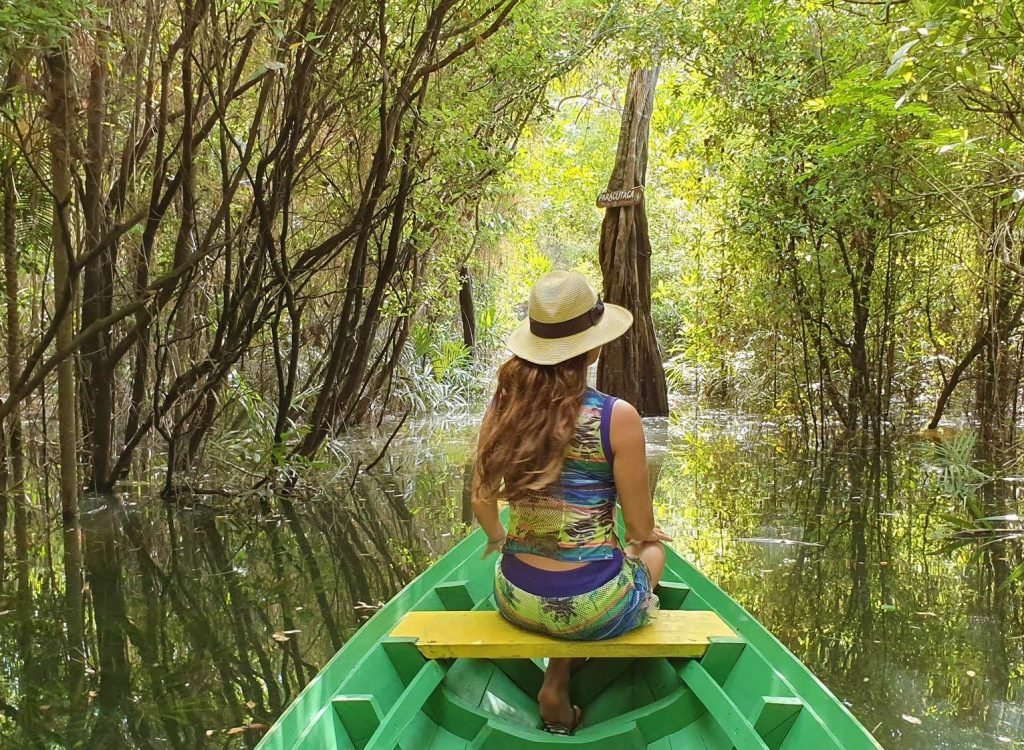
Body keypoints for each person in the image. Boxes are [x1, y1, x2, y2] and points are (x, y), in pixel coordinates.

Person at [471, 269, 670, 736]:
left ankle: (555, 676)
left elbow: (482, 499)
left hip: (515, 598)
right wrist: (643, 538)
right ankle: (560, 674)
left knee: (565, 576)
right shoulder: (616, 416)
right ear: (595, 346)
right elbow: (640, 528)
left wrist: (500, 538)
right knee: (652, 552)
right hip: (592, 607)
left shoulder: (505, 407)